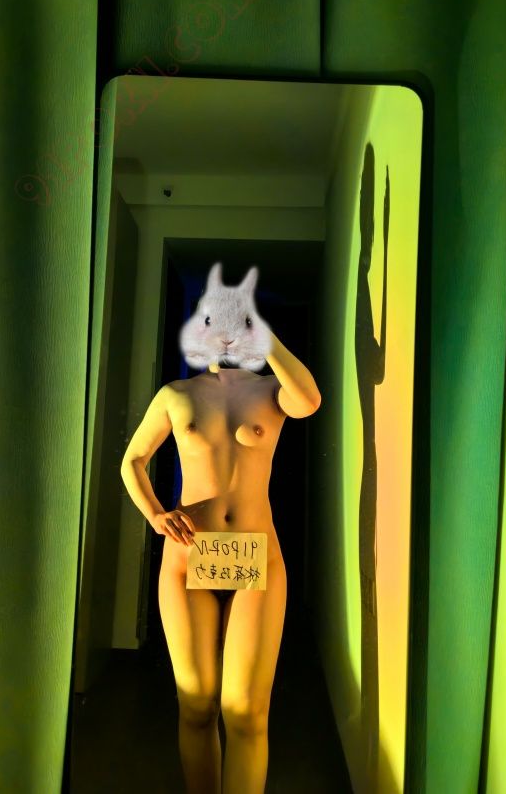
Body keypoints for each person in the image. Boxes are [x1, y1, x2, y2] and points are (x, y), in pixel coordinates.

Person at [121, 331, 321, 794]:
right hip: (188, 558)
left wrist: (267, 340)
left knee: (246, 712)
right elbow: (133, 460)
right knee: (196, 706)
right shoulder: (176, 394)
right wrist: (155, 514)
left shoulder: (272, 391)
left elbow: (309, 401)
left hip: (256, 562)